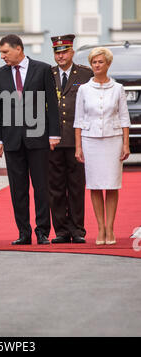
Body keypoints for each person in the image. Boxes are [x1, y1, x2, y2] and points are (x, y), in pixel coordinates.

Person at [0, 34, 60, 245]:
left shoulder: (43, 69)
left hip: (38, 138)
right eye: (1, 52)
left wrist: (54, 134)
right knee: (17, 189)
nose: (2, 56)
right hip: (12, 141)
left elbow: (52, 103)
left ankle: (42, 232)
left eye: (5, 52)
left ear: (18, 49)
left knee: (41, 187)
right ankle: (23, 232)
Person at [74, 47, 130, 245]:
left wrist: (126, 144)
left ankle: (110, 228)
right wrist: (78, 147)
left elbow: (124, 117)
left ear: (108, 64)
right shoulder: (84, 89)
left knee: (112, 185)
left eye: (100, 62)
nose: (96, 65)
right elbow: (78, 120)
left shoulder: (118, 89)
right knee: (95, 186)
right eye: (94, 62)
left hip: (113, 140)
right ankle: (100, 228)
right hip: (90, 141)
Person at [49, 34, 93, 244]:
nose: (61, 56)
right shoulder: (47, 75)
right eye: (57, 52)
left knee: (76, 186)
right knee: (56, 187)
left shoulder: (85, 75)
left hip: (77, 141)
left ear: (72, 52)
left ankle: (77, 229)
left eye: (64, 51)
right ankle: (61, 230)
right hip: (53, 141)